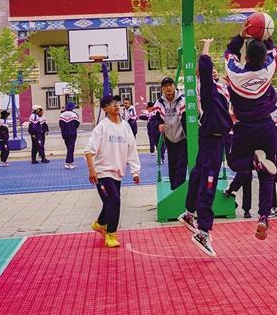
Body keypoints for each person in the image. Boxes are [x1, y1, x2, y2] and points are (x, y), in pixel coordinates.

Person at [178, 38, 233, 257]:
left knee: (199, 174)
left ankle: (189, 212)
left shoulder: (223, 89)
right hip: (212, 138)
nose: (213, 71)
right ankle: (202, 231)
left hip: (216, 139)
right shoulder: (206, 89)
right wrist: (207, 46)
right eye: (210, 70)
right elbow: (205, 66)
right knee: (208, 184)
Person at [224, 29, 277, 240]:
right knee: (268, 175)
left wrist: (241, 36)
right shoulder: (268, 70)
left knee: (234, 162)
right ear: (264, 58)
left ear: (245, 57)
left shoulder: (235, 74)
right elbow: (274, 51)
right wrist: (264, 35)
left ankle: (253, 162)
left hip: (244, 128)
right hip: (266, 126)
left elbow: (229, 52)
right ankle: (264, 216)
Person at [86, 95, 141, 248]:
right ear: (105, 109)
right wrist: (92, 170)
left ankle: (99, 224)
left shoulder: (126, 126)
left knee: (109, 202)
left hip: (117, 174)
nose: (116, 105)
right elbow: (88, 151)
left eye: (117, 103)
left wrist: (135, 171)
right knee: (114, 201)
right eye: (111, 104)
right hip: (102, 173)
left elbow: (132, 149)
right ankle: (111, 235)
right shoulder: (102, 127)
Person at [149, 77, 187, 190]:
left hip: (183, 138)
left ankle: (179, 191)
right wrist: (158, 125)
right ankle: (174, 190)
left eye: (170, 85)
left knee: (181, 165)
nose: (168, 88)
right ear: (162, 89)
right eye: (165, 86)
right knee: (172, 166)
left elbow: (192, 115)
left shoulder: (183, 99)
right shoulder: (159, 102)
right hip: (170, 138)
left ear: (174, 86)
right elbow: (153, 119)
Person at [59, 101, 80, 169]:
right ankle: (68, 163)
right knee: (71, 148)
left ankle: (71, 162)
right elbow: (77, 124)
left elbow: (60, 124)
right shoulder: (74, 114)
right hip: (72, 133)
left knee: (69, 148)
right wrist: (73, 128)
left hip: (64, 134)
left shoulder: (62, 115)